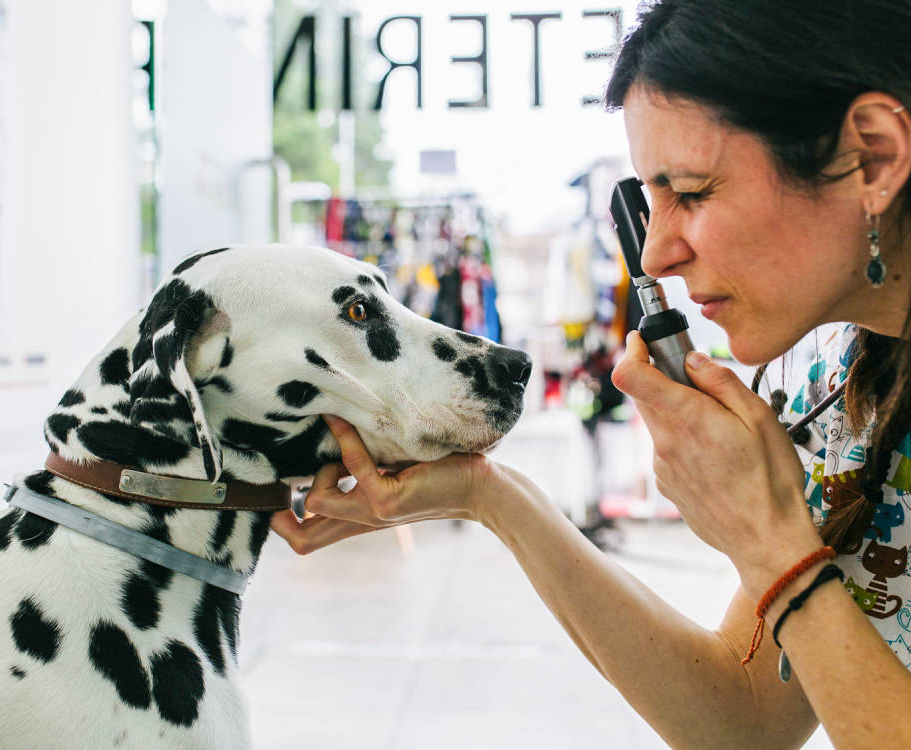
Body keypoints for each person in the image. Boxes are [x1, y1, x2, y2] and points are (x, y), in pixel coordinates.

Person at [271, 1, 911, 747]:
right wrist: (491, 496)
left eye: (694, 192)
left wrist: (777, 552)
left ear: (873, 157)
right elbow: (742, 720)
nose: (656, 254)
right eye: (651, 199)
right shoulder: (840, 385)